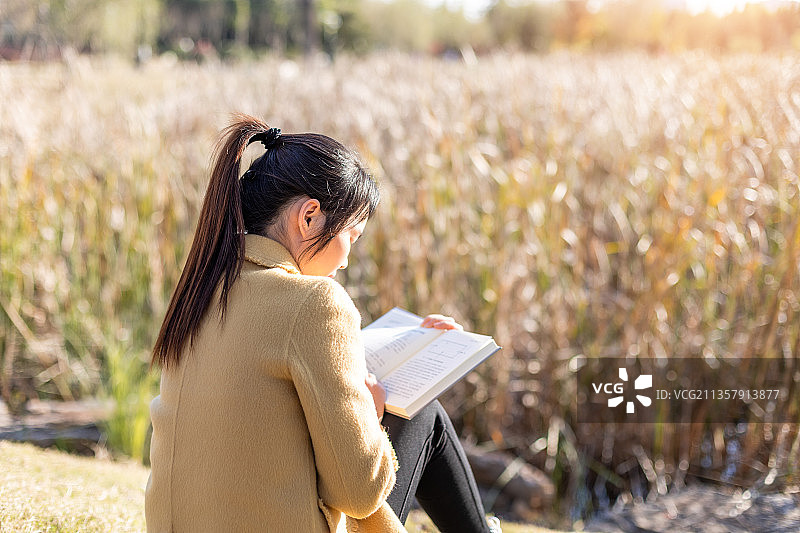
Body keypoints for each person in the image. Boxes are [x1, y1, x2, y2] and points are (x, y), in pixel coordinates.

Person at [145, 114, 501, 533]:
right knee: (423, 416)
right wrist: (371, 414)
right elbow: (356, 493)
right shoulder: (315, 301)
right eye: (352, 235)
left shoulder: (201, 289)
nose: (348, 258)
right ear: (309, 216)